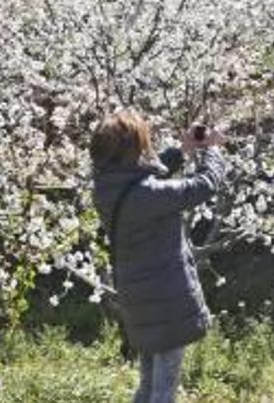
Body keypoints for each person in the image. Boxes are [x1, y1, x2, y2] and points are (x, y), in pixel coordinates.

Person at [90, 112, 230, 403]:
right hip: (165, 301)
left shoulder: (107, 188)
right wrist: (212, 151)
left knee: (148, 386)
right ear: (133, 150)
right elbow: (202, 186)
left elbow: (142, 178)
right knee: (164, 391)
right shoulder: (147, 195)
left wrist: (183, 151)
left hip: (139, 301)